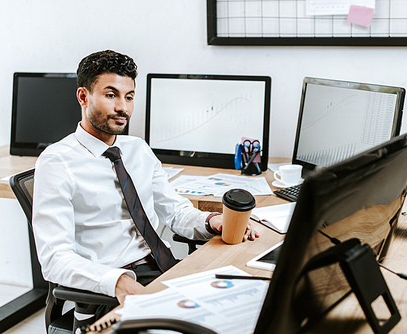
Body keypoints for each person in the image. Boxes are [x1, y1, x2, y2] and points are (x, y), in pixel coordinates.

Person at [32, 50, 259, 313]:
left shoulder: (137, 149)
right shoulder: (57, 162)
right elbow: (54, 259)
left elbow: (174, 211)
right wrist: (117, 282)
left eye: (129, 97)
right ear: (83, 96)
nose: (123, 108)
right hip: (108, 290)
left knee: (245, 304)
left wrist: (210, 221)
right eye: (111, 95)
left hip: (163, 268)